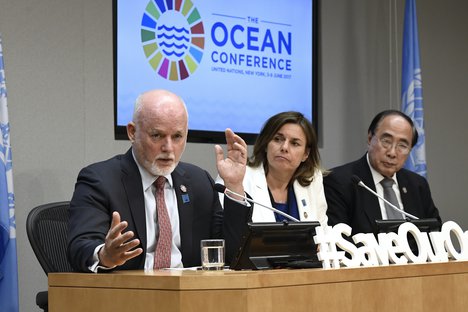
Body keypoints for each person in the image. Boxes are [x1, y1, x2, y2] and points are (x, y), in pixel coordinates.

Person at [67, 89, 251, 272]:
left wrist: (234, 186)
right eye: (157, 135)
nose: (168, 148)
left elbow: (231, 253)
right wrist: (104, 256)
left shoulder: (198, 181)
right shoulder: (100, 180)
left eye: (177, 136)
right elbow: (80, 246)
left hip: (190, 294)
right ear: (132, 132)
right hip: (131, 293)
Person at [323, 110, 441, 235]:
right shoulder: (339, 181)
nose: (392, 153)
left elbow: (435, 232)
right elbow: (339, 240)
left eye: (402, 145)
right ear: (370, 138)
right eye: (386, 141)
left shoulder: (417, 185)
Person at [215, 111, 328, 226]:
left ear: (306, 154)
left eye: (294, 143)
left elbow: (323, 233)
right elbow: (224, 232)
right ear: (266, 144)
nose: (284, 147)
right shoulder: (237, 178)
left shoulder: (313, 180)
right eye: (278, 139)